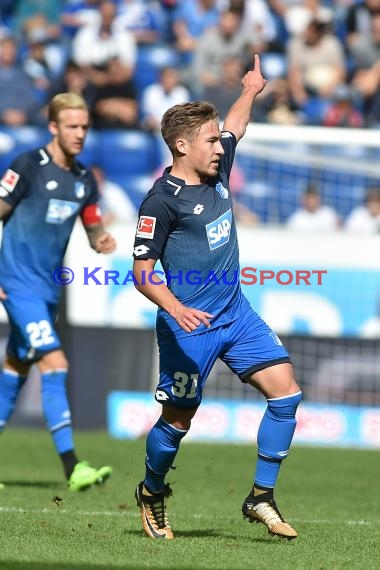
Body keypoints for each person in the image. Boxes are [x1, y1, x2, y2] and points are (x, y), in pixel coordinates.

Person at [132, 54, 302, 541]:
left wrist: (250, 90)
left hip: (236, 314)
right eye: (209, 140)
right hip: (190, 326)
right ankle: (152, 490)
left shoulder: (218, 164)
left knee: (286, 393)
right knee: (178, 421)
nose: (219, 146)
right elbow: (143, 274)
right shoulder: (160, 202)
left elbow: (235, 128)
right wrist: (176, 307)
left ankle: (260, 497)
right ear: (181, 146)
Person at [0, 92, 116, 491]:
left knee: (15, 367)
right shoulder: (28, 166)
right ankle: (72, 466)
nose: (80, 134)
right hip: (17, 286)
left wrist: (102, 240)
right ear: (53, 126)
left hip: (49, 292)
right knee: (56, 363)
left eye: (84, 127)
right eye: (72, 126)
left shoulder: (85, 181)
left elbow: (93, 227)